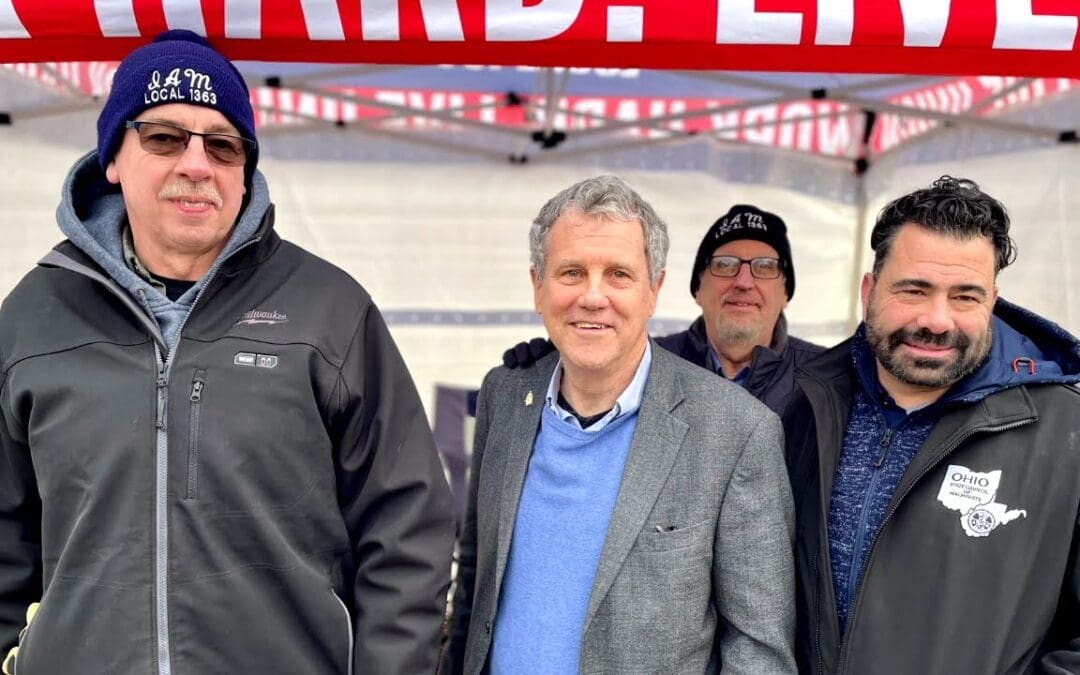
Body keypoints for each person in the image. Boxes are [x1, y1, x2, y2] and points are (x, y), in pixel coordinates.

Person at [0, 30, 454, 675]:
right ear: (112, 159)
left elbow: (409, 528)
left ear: (244, 171)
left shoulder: (329, 312)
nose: (195, 164)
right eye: (163, 137)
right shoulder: (33, 320)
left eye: (223, 145)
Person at [444, 175, 796, 674]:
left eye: (618, 275)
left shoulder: (736, 431)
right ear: (537, 287)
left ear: (653, 290)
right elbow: (475, 581)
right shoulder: (504, 396)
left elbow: (757, 649)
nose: (592, 296)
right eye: (570, 273)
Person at [784, 176, 1080, 674]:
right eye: (914, 289)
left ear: (992, 300)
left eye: (964, 296)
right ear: (869, 290)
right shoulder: (808, 406)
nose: (937, 319)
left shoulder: (1066, 433)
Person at [504, 204, 823, 416]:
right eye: (724, 265)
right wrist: (556, 361)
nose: (743, 281)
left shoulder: (826, 379)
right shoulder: (643, 363)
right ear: (698, 289)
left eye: (765, 267)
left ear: (786, 292)